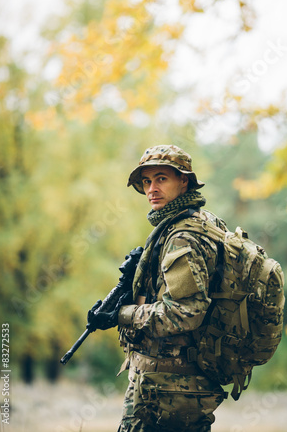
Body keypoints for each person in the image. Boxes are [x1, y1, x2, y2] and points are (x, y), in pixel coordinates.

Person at [86, 145, 228, 431]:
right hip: (176, 386)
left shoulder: (182, 237)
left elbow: (186, 313)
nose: (152, 188)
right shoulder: (202, 222)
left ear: (183, 181)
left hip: (168, 390)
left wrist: (123, 314)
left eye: (161, 178)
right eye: (147, 181)